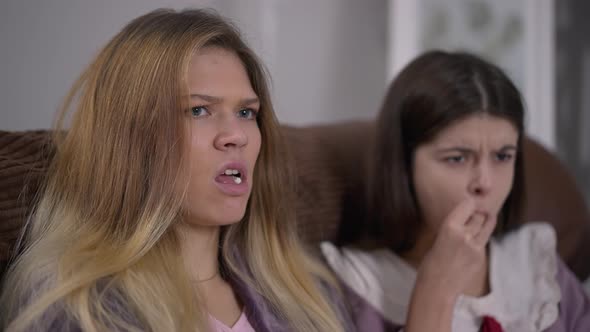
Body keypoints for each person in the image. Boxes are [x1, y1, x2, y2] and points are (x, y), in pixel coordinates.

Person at [0, 8, 461, 332]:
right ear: (130, 136)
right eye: (199, 111)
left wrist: (438, 286)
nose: (236, 135)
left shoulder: (303, 285)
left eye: (246, 113)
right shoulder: (73, 305)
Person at [322, 50, 590, 331]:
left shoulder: (538, 267)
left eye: (502, 156)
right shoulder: (354, 287)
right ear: (403, 164)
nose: (485, 183)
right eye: (457, 158)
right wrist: (436, 289)